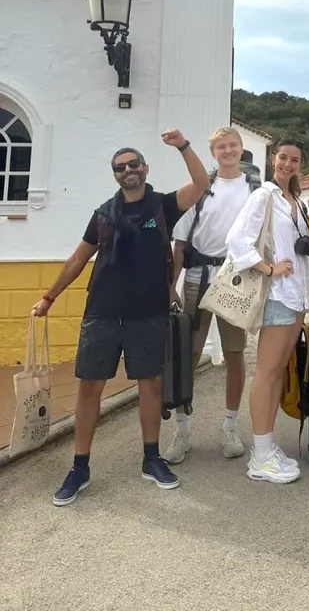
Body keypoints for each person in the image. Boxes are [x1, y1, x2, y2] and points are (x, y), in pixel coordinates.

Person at [32, 131, 209, 506]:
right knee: (89, 388)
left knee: (151, 386)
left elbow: (200, 182)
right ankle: (79, 467)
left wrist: (183, 146)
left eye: (133, 164)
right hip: (103, 312)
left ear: (144, 168)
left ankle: (150, 459)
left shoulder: (162, 206)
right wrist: (49, 297)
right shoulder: (103, 215)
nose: (127, 170)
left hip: (149, 312)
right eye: (120, 167)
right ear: (114, 174)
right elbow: (78, 260)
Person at [162, 126, 261, 465]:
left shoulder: (254, 190)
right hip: (197, 276)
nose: (228, 151)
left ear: (241, 149)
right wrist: (169, 284)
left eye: (233, 145)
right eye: (221, 147)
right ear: (213, 152)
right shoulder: (202, 188)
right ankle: (182, 430)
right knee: (187, 353)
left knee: (235, 354)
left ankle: (230, 427)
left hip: (236, 277)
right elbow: (180, 242)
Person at [226, 138, 309, 485]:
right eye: (283, 157)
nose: (287, 164)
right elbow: (236, 241)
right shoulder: (263, 195)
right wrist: (267, 267)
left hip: (297, 298)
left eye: (294, 160)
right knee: (266, 372)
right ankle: (260, 456)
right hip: (278, 295)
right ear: (272, 159)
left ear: (300, 165)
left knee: (278, 373)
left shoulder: (294, 200)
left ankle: (266, 444)